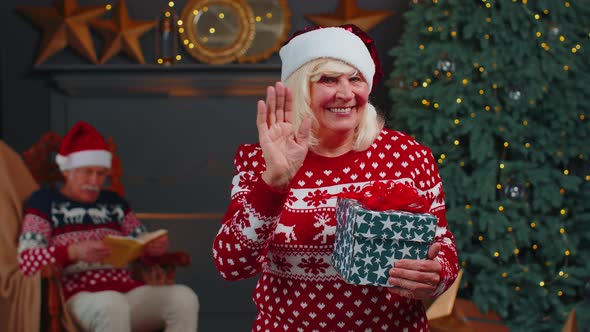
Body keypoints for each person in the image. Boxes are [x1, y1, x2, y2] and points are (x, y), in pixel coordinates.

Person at [212, 24, 459, 331]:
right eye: (328, 79)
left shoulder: (408, 154)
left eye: (355, 78)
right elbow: (231, 264)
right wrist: (273, 184)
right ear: (302, 87)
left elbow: (443, 246)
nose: (345, 93)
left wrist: (434, 278)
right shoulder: (261, 159)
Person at [17, 121, 199, 332]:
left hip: (128, 293)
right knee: (112, 304)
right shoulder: (43, 203)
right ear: (67, 171)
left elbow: (139, 243)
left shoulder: (114, 203)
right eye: (87, 171)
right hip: (77, 296)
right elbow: (27, 260)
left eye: (102, 173)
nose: (95, 181)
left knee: (184, 298)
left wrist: (152, 251)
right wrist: (72, 252)